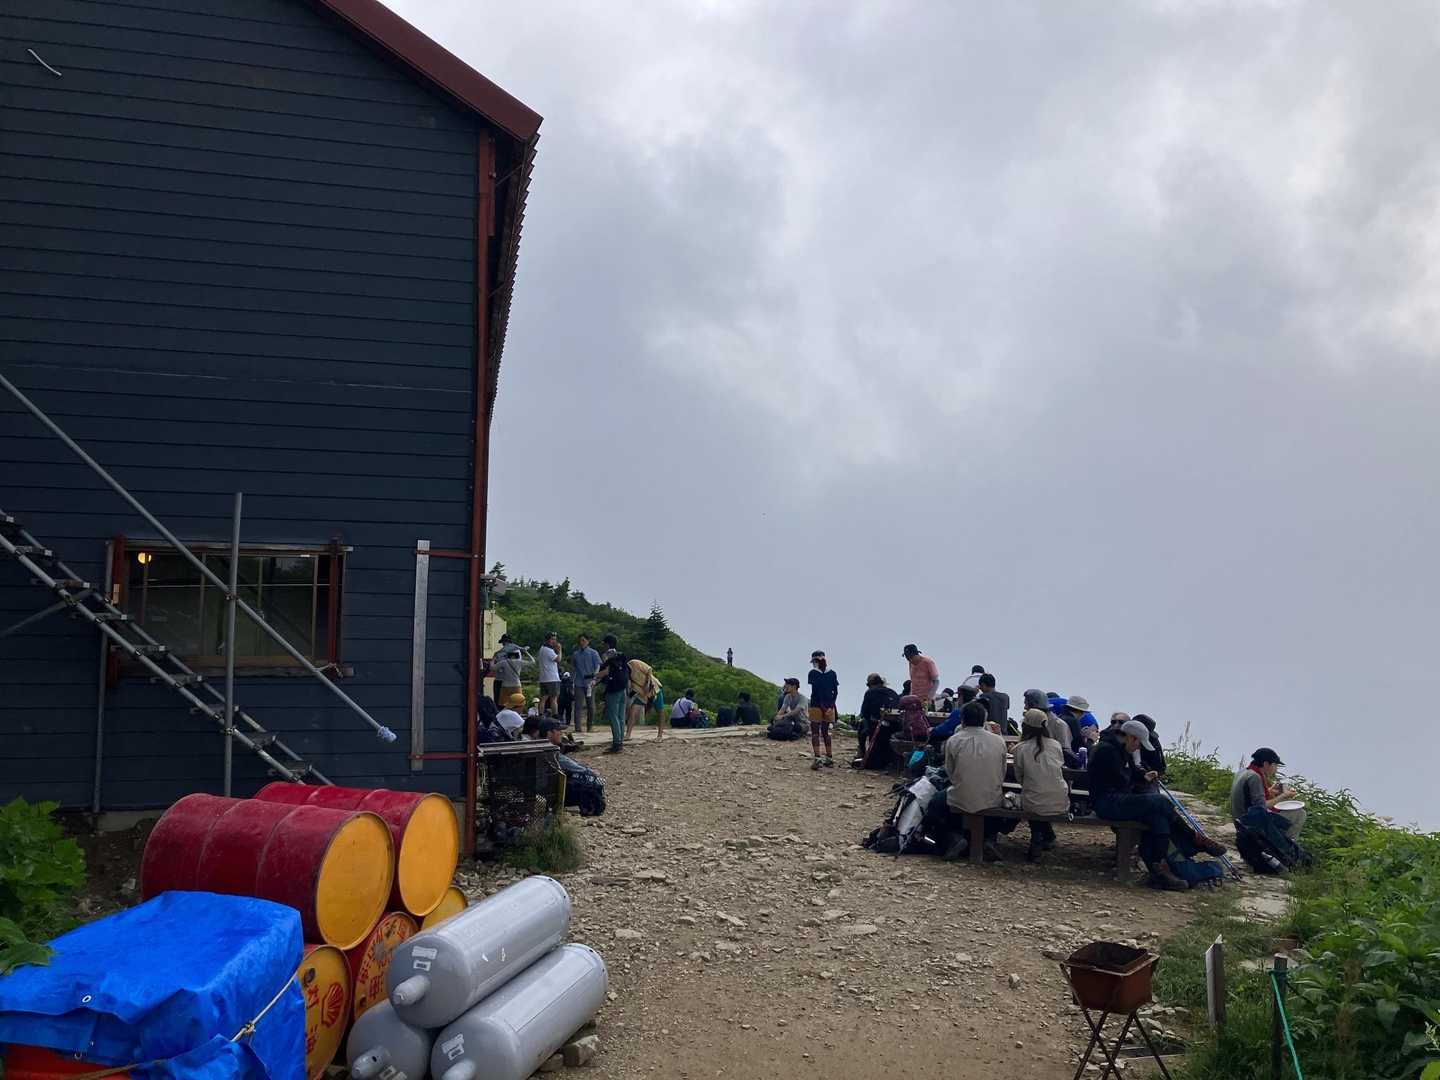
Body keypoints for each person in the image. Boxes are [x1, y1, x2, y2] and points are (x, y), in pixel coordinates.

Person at [1087, 718, 1224, 890]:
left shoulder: (1122, 750)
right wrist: (1133, 777)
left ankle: (1159, 869)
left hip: (1118, 800)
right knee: (1160, 801)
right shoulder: (1106, 750)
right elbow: (1121, 779)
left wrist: (1143, 776)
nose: (1138, 748)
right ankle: (1192, 837)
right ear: (1132, 738)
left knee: (1158, 818)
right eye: (1139, 744)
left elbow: (1129, 774)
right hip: (1107, 803)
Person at [927, 700, 1007, 862]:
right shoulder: (999, 741)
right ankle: (988, 838)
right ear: (984, 719)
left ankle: (953, 837)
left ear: (962, 720)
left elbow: (950, 772)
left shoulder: (954, 740)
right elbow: (1002, 772)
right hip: (992, 797)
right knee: (1004, 804)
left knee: (935, 804)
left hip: (960, 795)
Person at [1011, 709, 1069, 860]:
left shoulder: (1020, 749)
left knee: (1034, 797)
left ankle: (1037, 838)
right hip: (1060, 800)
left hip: (1034, 801)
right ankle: (1048, 836)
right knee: (1041, 797)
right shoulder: (1055, 745)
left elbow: (1020, 778)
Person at [1231, 747, 1302, 835]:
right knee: (1299, 813)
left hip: (1239, 819)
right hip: (1250, 823)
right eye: (1275, 765)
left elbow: (1249, 797)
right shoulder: (1255, 777)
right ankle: (1282, 842)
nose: (1276, 769)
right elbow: (1261, 807)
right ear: (1266, 764)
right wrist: (1283, 796)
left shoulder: (1243, 772)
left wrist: (1270, 791)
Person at [595, 636, 629, 753]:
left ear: (608, 644)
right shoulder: (622, 656)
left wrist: (593, 677)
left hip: (613, 689)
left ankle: (616, 743)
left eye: (605, 644)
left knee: (613, 716)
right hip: (623, 689)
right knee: (621, 717)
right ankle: (620, 741)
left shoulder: (607, 656)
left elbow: (605, 672)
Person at [806, 650, 838, 770]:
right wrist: (830, 707)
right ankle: (829, 758)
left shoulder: (813, 673)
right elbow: (835, 692)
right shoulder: (832, 673)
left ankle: (818, 759)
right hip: (830, 706)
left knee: (815, 733)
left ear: (815, 661)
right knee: (826, 733)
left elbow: (817, 693)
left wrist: (823, 708)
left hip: (817, 706)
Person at [570, 634, 601, 732]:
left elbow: (598, 666)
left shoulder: (593, 653)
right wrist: (571, 682)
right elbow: (573, 669)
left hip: (590, 682)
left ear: (588, 641)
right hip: (579, 682)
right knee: (578, 706)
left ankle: (590, 726)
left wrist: (594, 679)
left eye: (583, 640)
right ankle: (578, 727)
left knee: (590, 706)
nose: (581, 642)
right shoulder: (575, 654)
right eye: (580, 640)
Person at [627, 657, 659, 738]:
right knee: (632, 711)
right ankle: (628, 734)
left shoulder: (634, 663)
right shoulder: (626, 675)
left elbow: (649, 669)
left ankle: (660, 735)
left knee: (660, 711)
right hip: (641, 694)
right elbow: (632, 689)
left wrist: (647, 683)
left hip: (653, 689)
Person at [537, 633, 562, 716]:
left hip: (543, 678)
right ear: (548, 640)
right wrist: (560, 650)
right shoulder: (548, 650)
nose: (554, 641)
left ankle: (540, 716)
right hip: (552, 678)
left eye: (555, 639)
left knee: (543, 699)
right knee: (554, 699)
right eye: (552, 639)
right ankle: (555, 717)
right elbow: (558, 659)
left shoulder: (542, 649)